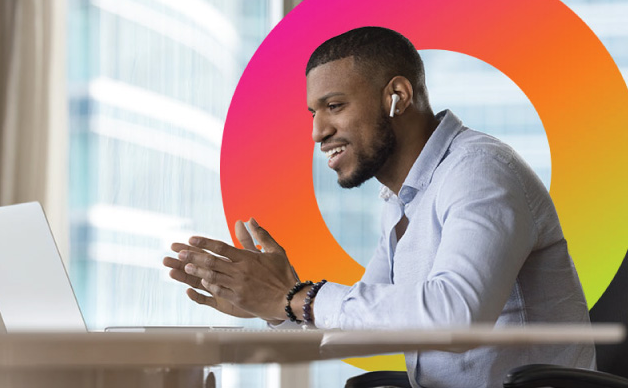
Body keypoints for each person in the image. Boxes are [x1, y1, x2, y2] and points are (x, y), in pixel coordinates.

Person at [163, 27, 595, 387]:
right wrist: (276, 308)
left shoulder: (479, 171)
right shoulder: (404, 197)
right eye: (313, 113)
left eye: (334, 106)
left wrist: (293, 298)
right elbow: (367, 323)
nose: (317, 132)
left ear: (398, 96)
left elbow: (455, 317)